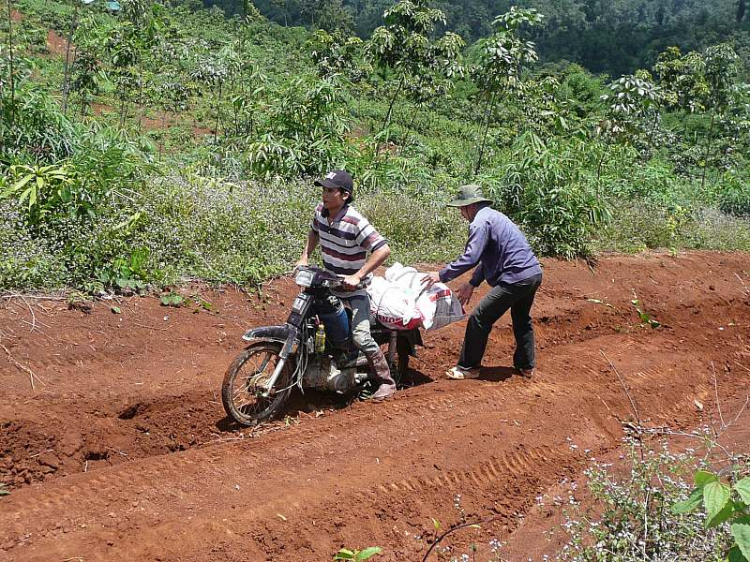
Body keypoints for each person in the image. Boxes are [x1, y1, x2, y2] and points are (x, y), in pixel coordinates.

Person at [422, 184, 543, 380]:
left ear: (470, 206)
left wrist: (441, 275)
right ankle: (526, 366)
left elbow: (471, 257)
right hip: (533, 273)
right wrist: (472, 283)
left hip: (516, 277)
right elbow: (488, 256)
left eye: (461, 208)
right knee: (521, 318)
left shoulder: (479, 223)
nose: (461, 213)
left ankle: (468, 367)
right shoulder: (495, 216)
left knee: (479, 317)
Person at [296, 169, 397, 400]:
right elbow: (313, 232)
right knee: (305, 325)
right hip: (328, 284)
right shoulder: (320, 212)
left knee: (360, 337)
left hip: (355, 291)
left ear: (344, 195)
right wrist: (304, 257)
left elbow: (383, 249)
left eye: (330, 190)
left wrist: (358, 275)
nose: (324, 194)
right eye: (323, 189)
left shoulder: (355, 221)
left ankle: (386, 381)